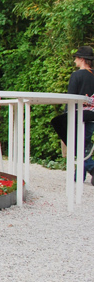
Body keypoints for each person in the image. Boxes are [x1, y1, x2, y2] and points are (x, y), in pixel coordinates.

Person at [50, 46, 94, 183]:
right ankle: (78, 176)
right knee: (85, 145)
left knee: (76, 145)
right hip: (92, 116)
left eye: (76, 58)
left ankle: (91, 169)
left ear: (82, 59)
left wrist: (65, 116)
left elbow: (71, 98)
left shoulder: (76, 76)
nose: (74, 61)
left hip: (77, 116)